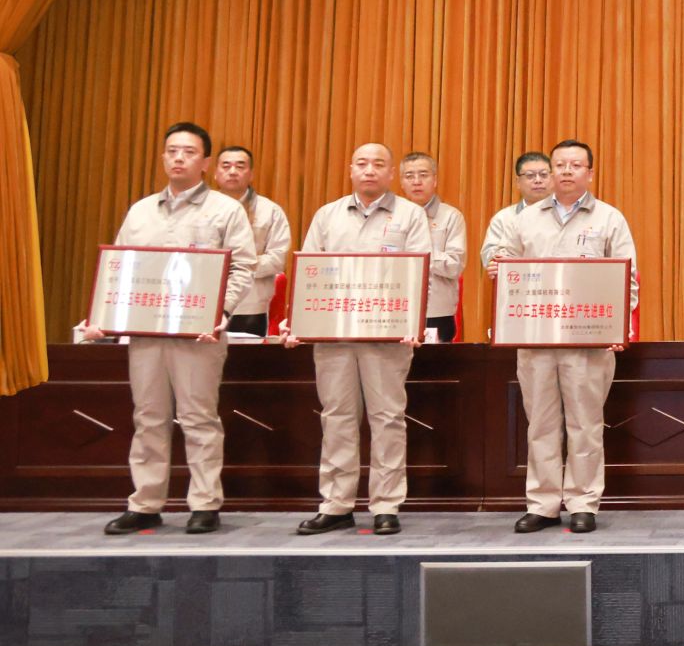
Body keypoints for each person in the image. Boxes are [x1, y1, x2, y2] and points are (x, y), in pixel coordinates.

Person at [93, 123, 258, 536]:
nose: (178, 158)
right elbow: (121, 266)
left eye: (188, 152)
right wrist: (106, 316)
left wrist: (220, 311)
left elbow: (243, 266)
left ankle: (204, 503)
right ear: (164, 157)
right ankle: (146, 503)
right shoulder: (141, 211)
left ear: (205, 162)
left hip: (199, 333)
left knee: (198, 418)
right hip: (147, 332)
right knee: (148, 416)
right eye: (172, 151)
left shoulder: (225, 210)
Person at [282, 143, 431, 536]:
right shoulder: (327, 215)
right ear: (350, 170)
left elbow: (422, 274)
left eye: (378, 164)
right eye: (362, 164)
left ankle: (386, 505)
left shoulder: (410, 215)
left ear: (391, 173)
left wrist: (413, 322)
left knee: (388, 419)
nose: (369, 170)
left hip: (387, 336)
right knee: (337, 418)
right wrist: (298, 322)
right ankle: (336, 504)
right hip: (334, 336)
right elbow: (308, 272)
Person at [491, 139, 637, 534]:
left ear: (590, 173)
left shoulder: (609, 219)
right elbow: (505, 269)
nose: (567, 171)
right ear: (550, 171)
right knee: (540, 424)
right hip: (536, 339)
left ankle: (583, 502)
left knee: (585, 424)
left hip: (588, 341)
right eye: (560, 165)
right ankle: (542, 503)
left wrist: (618, 326)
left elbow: (628, 278)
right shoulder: (524, 219)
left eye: (576, 165)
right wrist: (499, 269)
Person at [211, 145, 291, 337]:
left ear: (251, 174)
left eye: (240, 166)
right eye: (226, 166)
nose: (232, 171)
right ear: (215, 173)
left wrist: (237, 266)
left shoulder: (270, 211)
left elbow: (277, 259)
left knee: (246, 356)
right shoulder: (201, 210)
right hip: (207, 303)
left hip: (250, 307)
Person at [399, 151, 468, 343]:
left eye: (423, 175)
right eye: (409, 176)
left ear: (435, 180)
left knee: (434, 362)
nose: (416, 181)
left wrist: (419, 252)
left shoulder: (451, 216)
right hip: (397, 310)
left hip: (436, 312)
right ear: (401, 182)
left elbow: (455, 266)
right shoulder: (391, 217)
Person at [479, 151, 551, 271]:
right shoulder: (503, 218)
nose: (538, 180)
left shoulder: (564, 215)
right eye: (530, 176)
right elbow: (489, 256)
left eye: (544, 175)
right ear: (518, 182)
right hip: (517, 278)